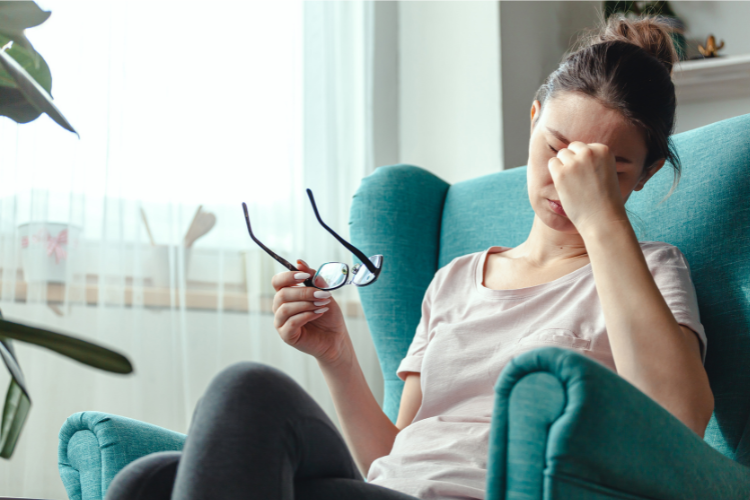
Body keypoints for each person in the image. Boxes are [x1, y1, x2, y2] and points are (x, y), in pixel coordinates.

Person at [105, 12, 714, 500]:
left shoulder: (651, 273)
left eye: (608, 167)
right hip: (391, 489)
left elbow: (678, 418)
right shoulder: (454, 281)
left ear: (646, 173)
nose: (566, 180)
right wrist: (339, 356)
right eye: (555, 148)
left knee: (247, 391)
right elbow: (397, 456)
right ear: (532, 120)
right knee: (146, 481)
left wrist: (603, 217)